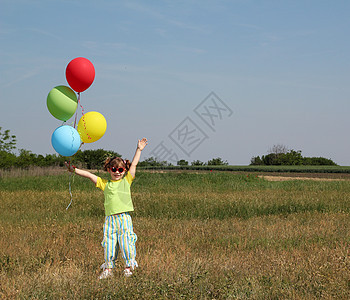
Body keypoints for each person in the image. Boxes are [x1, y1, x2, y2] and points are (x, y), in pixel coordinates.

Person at [65, 138, 148, 279]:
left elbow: (134, 164)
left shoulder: (126, 180)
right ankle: (108, 269)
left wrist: (139, 149)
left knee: (126, 242)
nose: (117, 172)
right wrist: (74, 170)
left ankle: (128, 267)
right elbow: (89, 175)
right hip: (110, 220)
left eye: (120, 169)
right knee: (109, 243)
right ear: (109, 169)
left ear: (124, 170)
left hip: (124, 218)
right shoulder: (105, 184)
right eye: (113, 169)